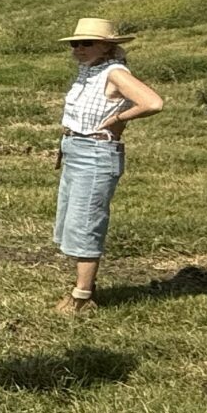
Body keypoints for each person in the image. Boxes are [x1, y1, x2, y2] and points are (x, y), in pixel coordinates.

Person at [50, 18, 166, 313]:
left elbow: (152, 102)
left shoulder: (115, 72)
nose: (79, 49)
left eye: (87, 43)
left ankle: (82, 296)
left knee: (86, 223)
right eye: (75, 43)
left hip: (95, 152)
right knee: (72, 222)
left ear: (107, 46)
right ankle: (83, 287)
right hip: (76, 149)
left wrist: (118, 119)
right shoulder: (90, 71)